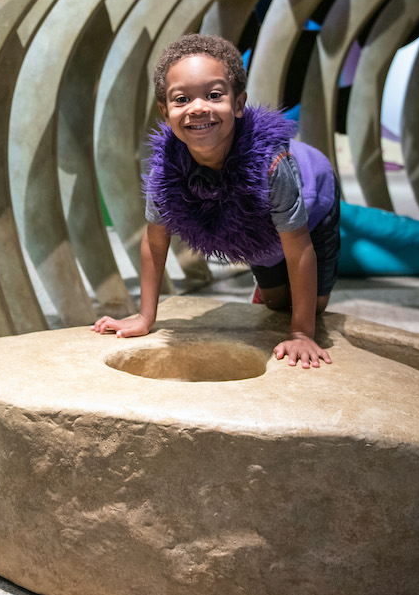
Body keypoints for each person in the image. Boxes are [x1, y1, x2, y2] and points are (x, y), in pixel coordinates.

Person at [91, 34, 340, 369]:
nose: (198, 108)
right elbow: (154, 242)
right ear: (165, 111)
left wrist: (301, 334)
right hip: (253, 224)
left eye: (213, 95)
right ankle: (268, 289)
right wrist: (145, 316)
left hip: (313, 204)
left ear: (238, 104)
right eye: (182, 99)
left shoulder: (271, 165)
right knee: (276, 302)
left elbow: (299, 247)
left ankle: (290, 302)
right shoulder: (165, 168)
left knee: (315, 304)